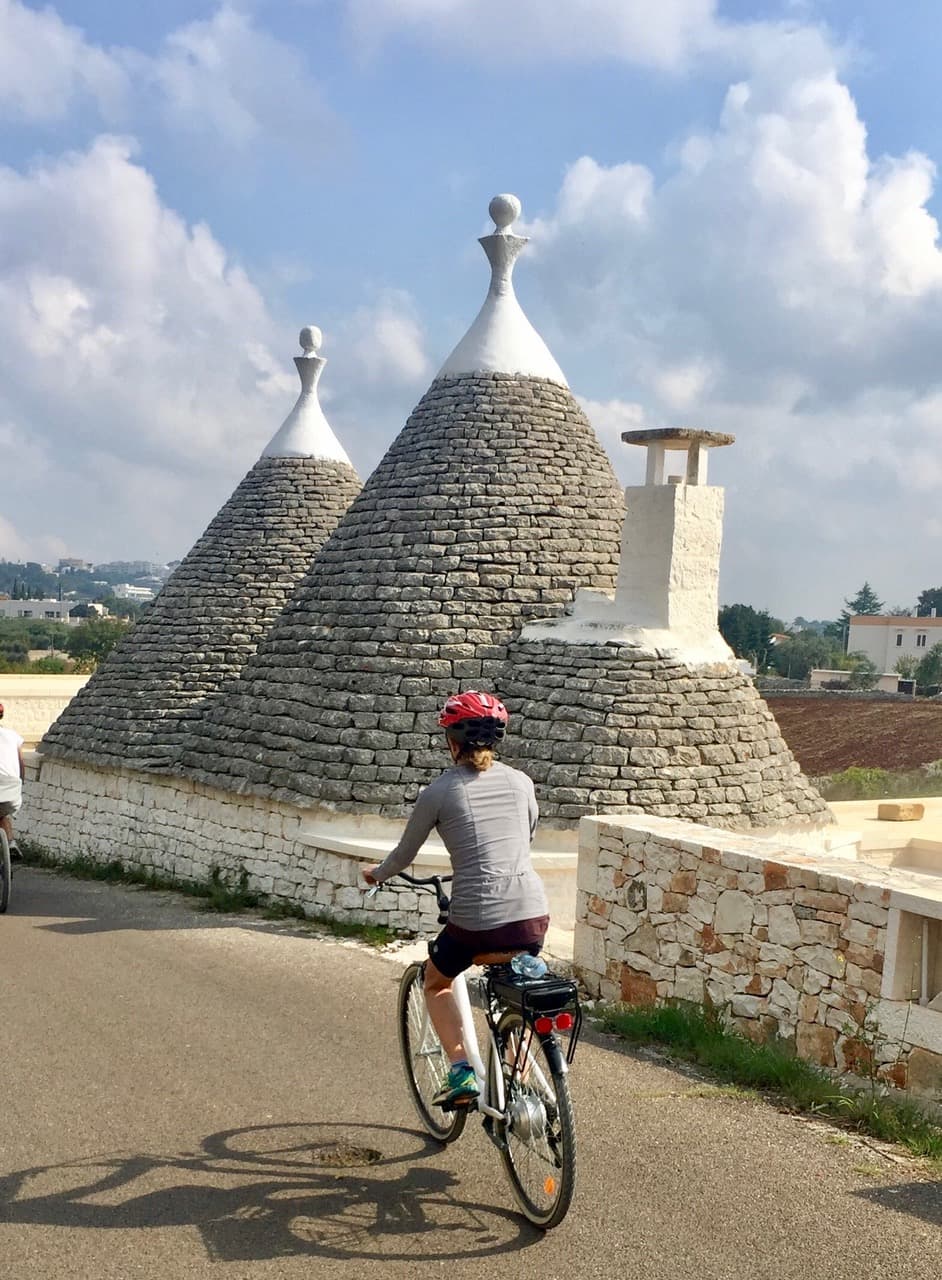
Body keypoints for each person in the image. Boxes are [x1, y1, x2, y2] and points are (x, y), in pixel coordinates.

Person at [362, 691, 549, 1108]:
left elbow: (404, 854)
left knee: (437, 980)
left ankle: (462, 1071)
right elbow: (526, 837)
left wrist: (377, 874)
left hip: (477, 916)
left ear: (451, 740)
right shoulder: (522, 782)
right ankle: (516, 1069)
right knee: (516, 981)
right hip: (532, 913)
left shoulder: (439, 792)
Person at [0, 702, 25, 859]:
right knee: (3, 814)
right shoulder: (13, 735)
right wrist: (21, 782)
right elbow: (22, 763)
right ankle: (11, 842)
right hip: (12, 785)